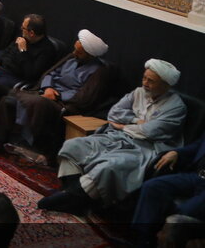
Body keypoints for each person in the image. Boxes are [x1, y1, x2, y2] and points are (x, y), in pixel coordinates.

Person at [39, 59, 186, 214]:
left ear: (166, 85)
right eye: (144, 78)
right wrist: (134, 120)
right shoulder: (138, 92)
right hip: (118, 136)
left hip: (146, 148)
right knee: (73, 146)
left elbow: (149, 131)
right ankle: (75, 196)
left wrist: (123, 126)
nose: (145, 83)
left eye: (151, 81)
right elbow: (114, 113)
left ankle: (72, 197)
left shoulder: (176, 107)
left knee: (109, 166)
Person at [0, 29, 110, 159]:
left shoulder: (99, 72)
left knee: (37, 101)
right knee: (7, 101)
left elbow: (85, 96)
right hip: (46, 92)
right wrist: (48, 87)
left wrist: (58, 95)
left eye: (79, 52)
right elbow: (51, 73)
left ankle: (13, 92)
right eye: (75, 49)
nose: (74, 53)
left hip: (62, 103)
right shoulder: (71, 59)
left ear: (90, 55)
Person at [132, 134, 205, 246]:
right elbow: (199, 145)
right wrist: (177, 152)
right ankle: (143, 240)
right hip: (197, 176)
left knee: (185, 212)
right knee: (152, 187)